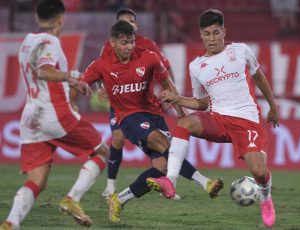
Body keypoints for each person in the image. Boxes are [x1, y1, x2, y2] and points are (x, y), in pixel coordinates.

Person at [71, 19, 223, 222]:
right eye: (124, 43)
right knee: (166, 145)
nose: (129, 47)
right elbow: (80, 83)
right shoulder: (101, 65)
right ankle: (206, 183)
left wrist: (180, 113)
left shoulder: (149, 57)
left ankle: (119, 199)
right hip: (128, 117)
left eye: (131, 42)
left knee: (161, 168)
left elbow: (168, 85)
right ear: (113, 42)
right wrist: (72, 101)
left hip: (155, 114)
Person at [147, 9, 279, 228]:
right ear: (201, 34)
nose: (211, 38)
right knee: (185, 122)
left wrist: (272, 107)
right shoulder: (197, 66)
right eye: (207, 33)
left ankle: (265, 199)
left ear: (224, 31)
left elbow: (259, 76)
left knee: (259, 172)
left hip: (246, 121)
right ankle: (170, 181)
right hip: (218, 118)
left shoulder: (240, 50)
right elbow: (201, 103)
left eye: (216, 33)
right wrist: (177, 99)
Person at [0, 1, 110, 229]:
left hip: (31, 118)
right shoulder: (50, 41)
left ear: (37, 18)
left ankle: (10, 223)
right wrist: (70, 78)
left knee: (37, 182)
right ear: (61, 18)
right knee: (102, 151)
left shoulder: (27, 41)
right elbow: (44, 70)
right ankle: (73, 199)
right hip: (55, 114)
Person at [96, 8, 221, 201]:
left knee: (162, 166)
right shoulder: (107, 48)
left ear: (136, 25)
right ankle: (111, 183)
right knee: (122, 138)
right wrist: (100, 87)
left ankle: (120, 199)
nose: (128, 26)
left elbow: (166, 72)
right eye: (123, 23)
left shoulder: (148, 47)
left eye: (131, 22)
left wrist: (172, 97)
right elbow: (99, 72)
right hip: (124, 108)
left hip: (150, 108)